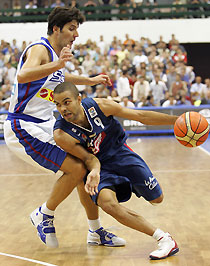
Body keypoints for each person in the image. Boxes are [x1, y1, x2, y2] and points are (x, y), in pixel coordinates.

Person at [4, 7, 125, 248]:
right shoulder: (40, 49)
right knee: (77, 167)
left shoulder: (57, 56)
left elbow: (60, 80)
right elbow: (23, 75)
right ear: (56, 29)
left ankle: (95, 231)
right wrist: (57, 63)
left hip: (46, 124)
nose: (76, 34)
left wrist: (89, 80)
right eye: (72, 28)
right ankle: (44, 213)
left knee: (86, 165)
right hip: (23, 126)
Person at [53, 81, 180, 260]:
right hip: (100, 167)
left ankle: (132, 185)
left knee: (157, 198)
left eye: (66, 102)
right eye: (58, 104)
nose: (62, 108)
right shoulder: (61, 134)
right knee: (108, 204)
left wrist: (178, 120)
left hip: (122, 154)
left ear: (79, 99)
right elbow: (89, 158)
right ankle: (163, 238)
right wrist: (95, 171)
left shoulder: (101, 106)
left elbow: (141, 115)